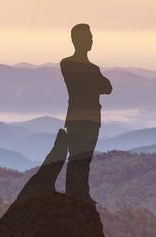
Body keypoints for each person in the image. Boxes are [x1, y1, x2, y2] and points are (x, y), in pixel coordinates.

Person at [60, 23, 112, 203]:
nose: (91, 40)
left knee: (80, 159)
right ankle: (77, 197)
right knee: (79, 159)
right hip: (88, 120)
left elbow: (107, 88)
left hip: (77, 119)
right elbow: (105, 87)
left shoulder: (69, 65)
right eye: (88, 37)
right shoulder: (88, 68)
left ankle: (79, 195)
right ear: (78, 40)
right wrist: (94, 83)